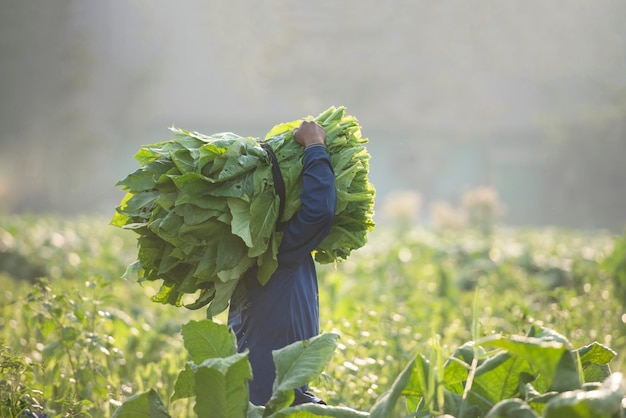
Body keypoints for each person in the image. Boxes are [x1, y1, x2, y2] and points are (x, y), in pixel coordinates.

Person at [227, 120, 336, 406]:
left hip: (259, 400)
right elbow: (319, 213)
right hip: (275, 404)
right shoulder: (275, 254)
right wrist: (314, 146)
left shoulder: (244, 261)